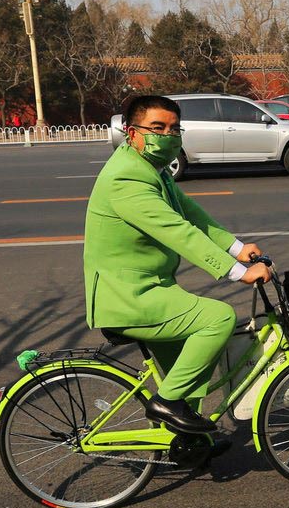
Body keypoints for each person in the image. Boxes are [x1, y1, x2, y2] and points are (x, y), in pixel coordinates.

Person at [83, 95, 270, 436]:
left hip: (152, 288)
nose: (167, 135)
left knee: (189, 378)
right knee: (219, 319)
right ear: (131, 132)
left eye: (173, 128)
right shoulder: (126, 179)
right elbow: (178, 232)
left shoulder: (149, 168)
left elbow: (191, 214)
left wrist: (237, 247)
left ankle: (187, 442)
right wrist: (238, 272)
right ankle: (165, 403)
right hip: (128, 297)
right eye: (157, 127)